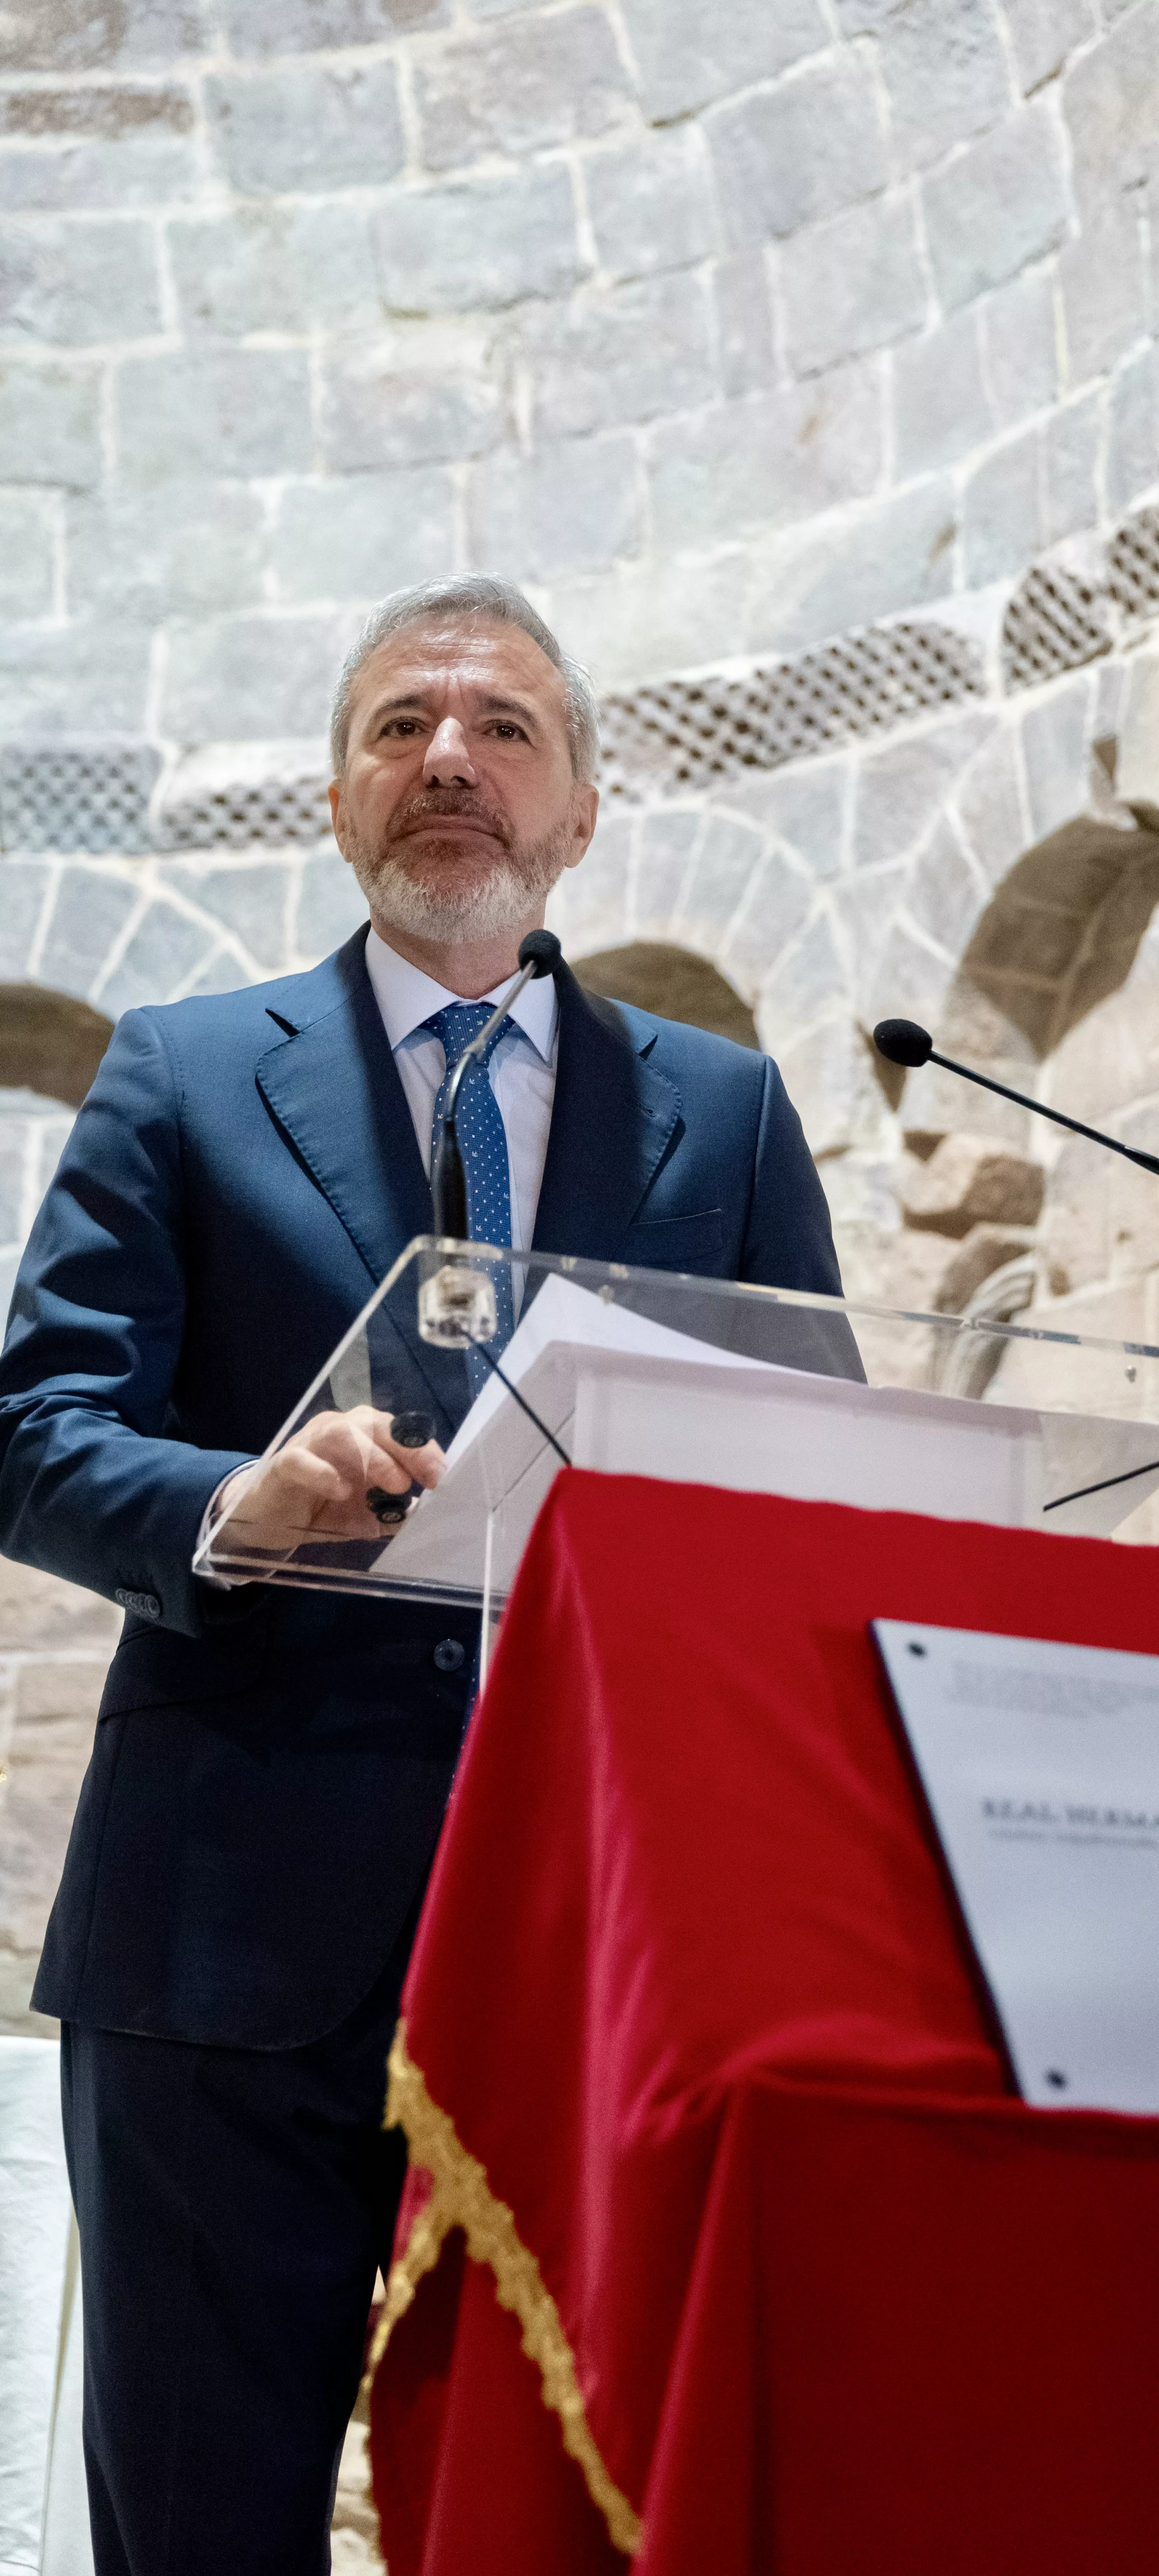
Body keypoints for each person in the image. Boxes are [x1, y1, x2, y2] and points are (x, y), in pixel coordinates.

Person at [0, 577, 843, 2575]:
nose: (447, 760)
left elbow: (818, 1480)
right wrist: (237, 1502)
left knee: (592, 2517)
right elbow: (31, 1431)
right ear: (336, 800)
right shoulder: (187, 1073)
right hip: (232, 1938)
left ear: (580, 815)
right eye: (399, 728)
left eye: (500, 730)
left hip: (608, 1935)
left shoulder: (717, 1114)